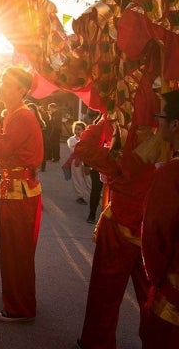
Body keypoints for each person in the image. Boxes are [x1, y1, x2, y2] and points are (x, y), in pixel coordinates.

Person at [74, 114, 156, 349]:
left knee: (106, 291)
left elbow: (83, 147)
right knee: (155, 294)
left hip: (121, 221)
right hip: (152, 226)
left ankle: (97, 342)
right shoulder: (165, 146)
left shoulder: (127, 147)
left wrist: (104, 120)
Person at [0, 66, 44, 322]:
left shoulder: (20, 116)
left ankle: (19, 306)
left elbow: (2, 148)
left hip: (19, 192)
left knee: (16, 251)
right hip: (17, 188)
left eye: (8, 84)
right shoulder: (15, 114)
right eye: (1, 82)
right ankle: (18, 297)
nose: (1, 87)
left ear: (21, 90)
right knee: (17, 250)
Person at [140, 89, 179, 348]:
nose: (157, 121)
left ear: (175, 124)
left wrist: (156, 281)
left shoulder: (171, 174)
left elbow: (154, 236)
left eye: (160, 115)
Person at [66, 120, 91, 205]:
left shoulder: (87, 139)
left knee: (88, 178)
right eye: (75, 129)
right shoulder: (71, 140)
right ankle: (79, 196)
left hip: (86, 162)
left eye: (79, 129)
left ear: (84, 130)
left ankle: (93, 194)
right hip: (76, 161)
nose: (77, 131)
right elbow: (75, 150)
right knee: (77, 179)